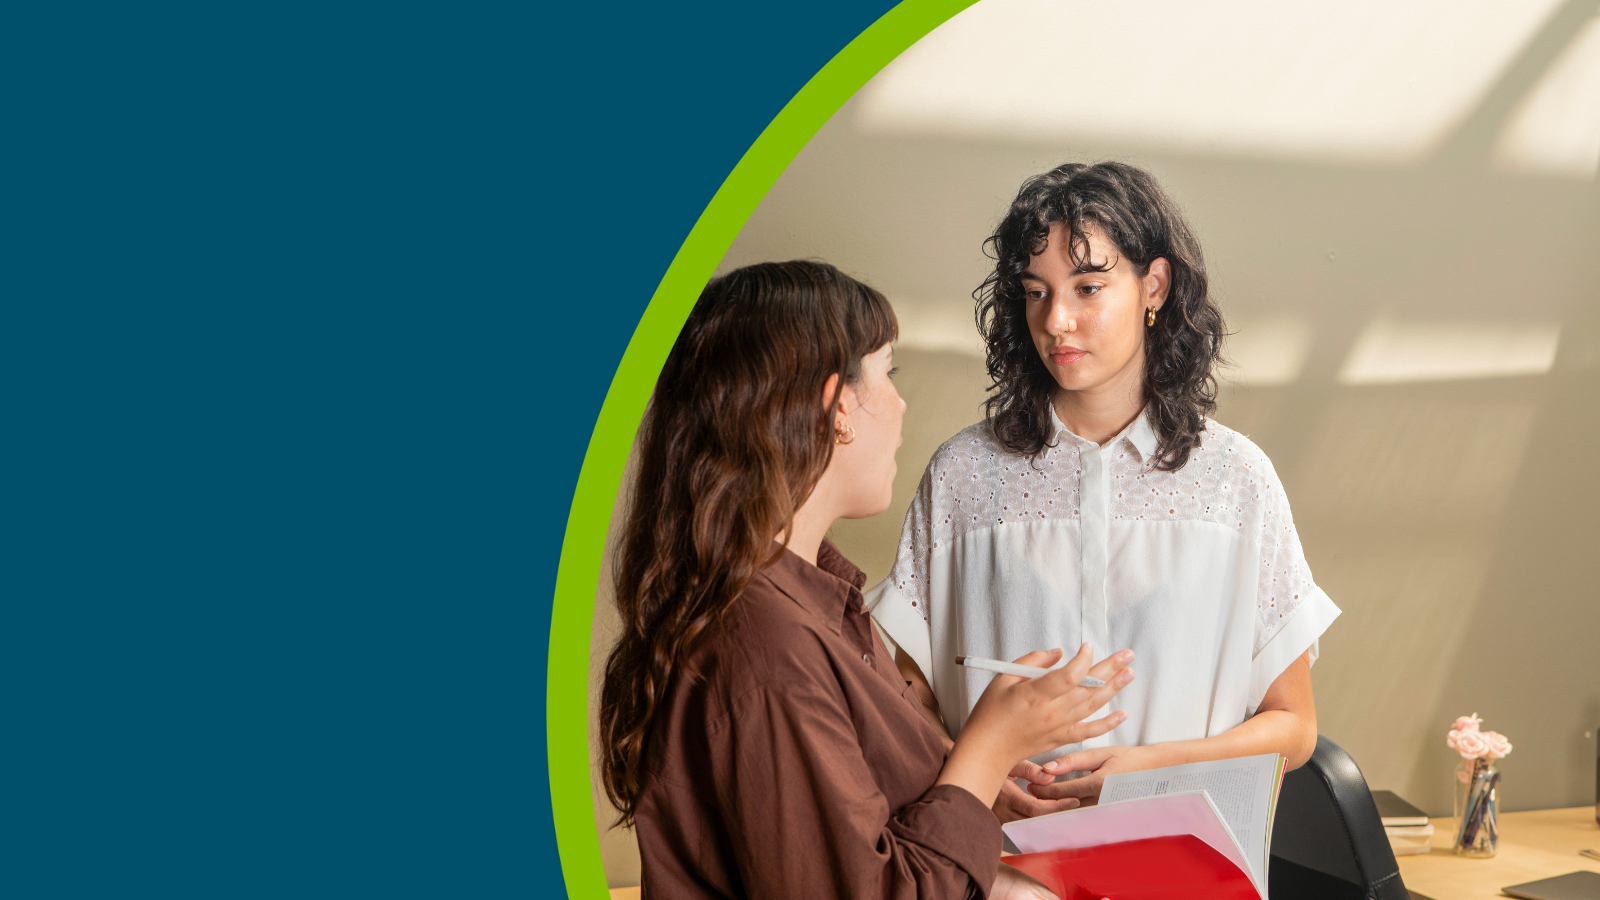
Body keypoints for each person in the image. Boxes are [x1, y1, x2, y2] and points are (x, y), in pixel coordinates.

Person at [598, 260, 1137, 899]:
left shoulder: (821, 606)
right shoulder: (771, 650)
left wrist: (971, 785)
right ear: (839, 406)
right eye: (889, 373)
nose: (902, 403)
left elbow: (861, 816)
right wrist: (987, 748)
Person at [867, 162, 1341, 822]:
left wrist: (1143, 769)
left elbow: (1292, 729)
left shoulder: (1238, 481)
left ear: (1155, 285)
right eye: (1036, 292)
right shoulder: (962, 475)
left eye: (1088, 288)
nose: (1056, 320)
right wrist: (970, 767)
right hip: (998, 869)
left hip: (1180, 870)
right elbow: (904, 702)